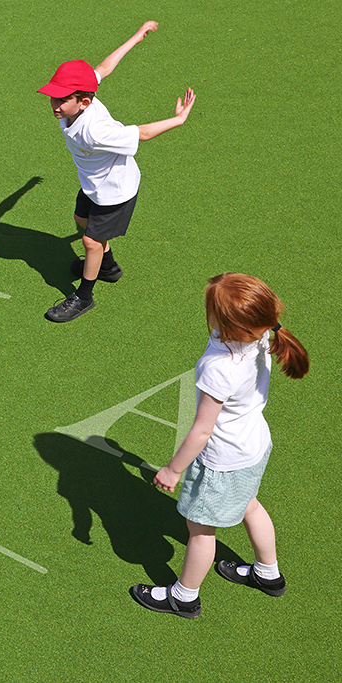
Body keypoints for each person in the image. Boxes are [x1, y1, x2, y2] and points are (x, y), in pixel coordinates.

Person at [130, 273, 309, 618]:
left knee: (200, 529)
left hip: (222, 460)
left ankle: (183, 596)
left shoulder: (219, 368)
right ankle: (268, 575)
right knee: (250, 506)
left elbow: (201, 431)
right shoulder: (262, 339)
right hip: (253, 446)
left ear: (226, 324)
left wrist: (172, 469)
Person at [38, 21, 196, 322]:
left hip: (115, 189)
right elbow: (103, 67)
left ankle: (84, 297)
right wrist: (136, 38)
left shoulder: (96, 131)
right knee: (80, 219)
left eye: (61, 99)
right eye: (53, 95)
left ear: (83, 102)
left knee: (90, 241)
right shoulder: (81, 97)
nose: (54, 104)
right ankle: (108, 267)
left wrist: (178, 120)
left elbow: (144, 134)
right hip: (93, 183)